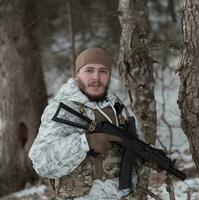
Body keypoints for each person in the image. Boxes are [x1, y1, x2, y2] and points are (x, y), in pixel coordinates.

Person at [29, 47, 146, 200]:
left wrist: (147, 156)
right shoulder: (63, 109)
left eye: (103, 71)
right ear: (77, 75)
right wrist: (85, 142)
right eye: (89, 70)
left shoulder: (115, 105)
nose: (96, 77)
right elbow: (40, 161)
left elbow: (133, 142)